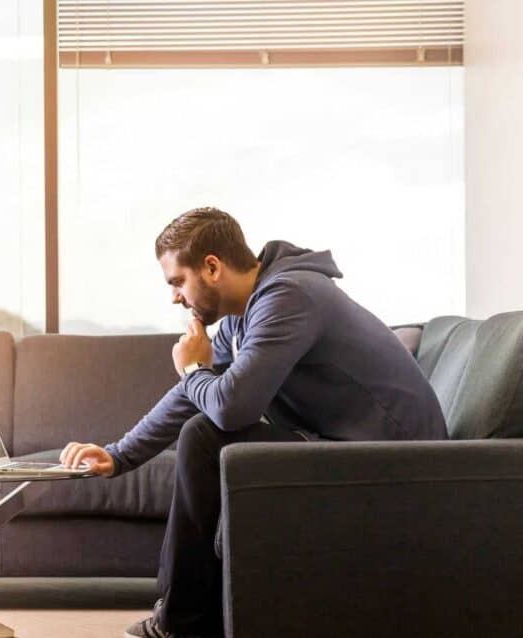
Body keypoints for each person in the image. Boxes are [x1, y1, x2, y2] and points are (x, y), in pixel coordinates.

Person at [60, 207, 447, 638]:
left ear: (212, 267)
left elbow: (231, 408)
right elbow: (191, 398)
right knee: (203, 431)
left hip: (398, 463)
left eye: (177, 282)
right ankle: (184, 617)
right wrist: (118, 455)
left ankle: (182, 623)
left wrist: (193, 370)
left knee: (206, 436)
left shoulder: (289, 297)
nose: (175, 297)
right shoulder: (245, 317)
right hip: (346, 447)